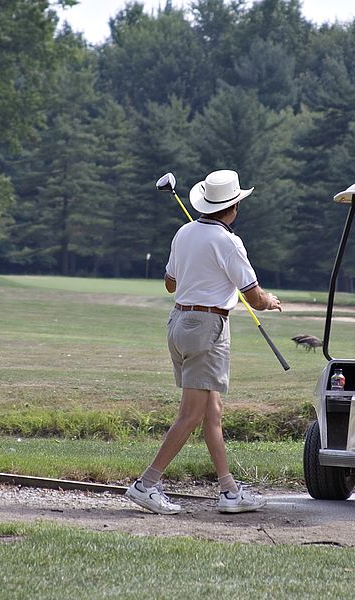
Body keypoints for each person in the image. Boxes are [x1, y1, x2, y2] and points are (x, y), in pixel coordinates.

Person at [126, 169, 282, 515]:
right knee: (192, 415)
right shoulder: (229, 242)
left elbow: (170, 284)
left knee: (212, 413)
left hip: (179, 322)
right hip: (208, 327)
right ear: (234, 207)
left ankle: (229, 491)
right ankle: (146, 484)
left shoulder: (184, 232)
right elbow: (253, 297)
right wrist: (269, 300)